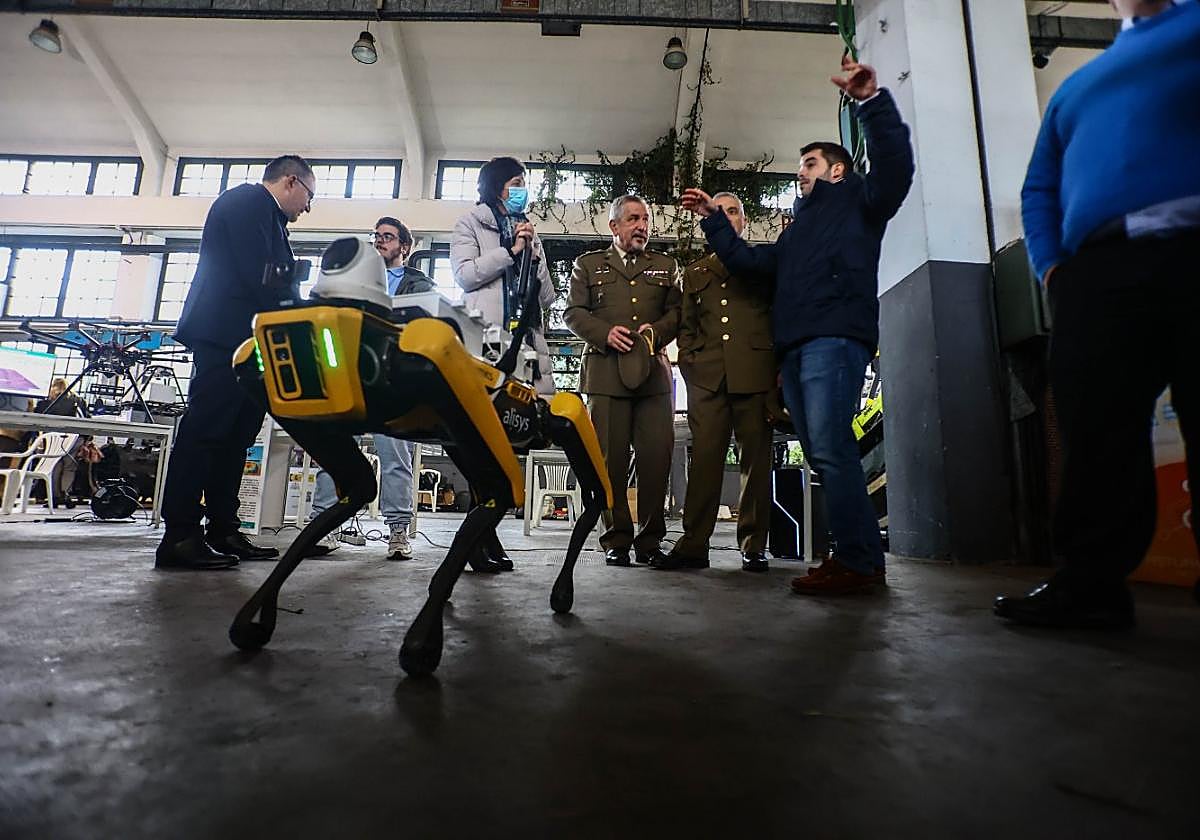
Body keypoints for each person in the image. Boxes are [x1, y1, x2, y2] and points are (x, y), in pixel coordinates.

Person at [994, 0, 1199, 628]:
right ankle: (1092, 585)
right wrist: (1054, 270)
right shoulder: (1075, 88)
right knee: (1096, 430)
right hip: (1098, 272)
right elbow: (1039, 188)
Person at [681, 55, 914, 595]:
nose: (800, 171)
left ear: (837, 170)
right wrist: (714, 221)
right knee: (823, 453)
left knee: (831, 447)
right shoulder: (795, 232)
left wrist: (871, 104)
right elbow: (749, 263)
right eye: (801, 165)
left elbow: (897, 167)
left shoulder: (859, 200)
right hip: (797, 350)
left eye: (810, 163)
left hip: (836, 341)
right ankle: (855, 557)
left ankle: (859, 562)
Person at [156, 155, 316, 571]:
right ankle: (180, 535)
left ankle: (223, 528)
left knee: (236, 438)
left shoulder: (267, 216)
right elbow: (260, 274)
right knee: (206, 432)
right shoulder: (247, 202)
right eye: (308, 196)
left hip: (248, 341)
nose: (307, 208)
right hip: (225, 336)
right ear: (291, 182)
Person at [656, 193, 776, 573]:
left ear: (744, 221)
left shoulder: (761, 264)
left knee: (756, 463)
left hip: (755, 376)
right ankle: (694, 544)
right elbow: (687, 328)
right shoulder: (695, 273)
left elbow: (778, 318)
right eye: (720, 211)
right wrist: (691, 363)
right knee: (705, 462)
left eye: (734, 211)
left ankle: (753, 545)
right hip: (708, 381)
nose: (727, 217)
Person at [304, 217, 433, 561]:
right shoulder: (354, 278)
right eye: (376, 236)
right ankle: (324, 525)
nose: (380, 241)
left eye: (388, 237)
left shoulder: (418, 284)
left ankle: (398, 531)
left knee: (395, 457)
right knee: (334, 451)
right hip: (348, 375)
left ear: (405, 246)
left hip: (392, 379)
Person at [564, 195, 682, 567]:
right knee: (609, 462)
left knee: (656, 460)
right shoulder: (588, 265)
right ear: (614, 226)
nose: (642, 226)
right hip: (605, 375)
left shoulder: (665, 266)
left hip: (653, 378)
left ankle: (650, 542)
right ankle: (615, 539)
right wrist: (604, 333)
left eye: (645, 219)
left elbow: (678, 313)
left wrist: (655, 333)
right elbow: (573, 312)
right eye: (633, 219)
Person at [450, 156, 557, 396]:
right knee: (486, 405)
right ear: (496, 187)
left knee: (530, 410)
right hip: (486, 338)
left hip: (529, 343)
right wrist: (511, 252)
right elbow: (465, 276)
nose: (523, 191)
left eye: (524, 185)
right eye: (516, 183)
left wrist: (533, 255)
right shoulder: (470, 224)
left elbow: (547, 298)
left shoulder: (529, 231)